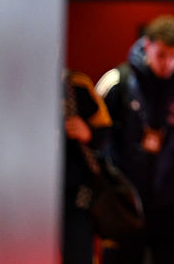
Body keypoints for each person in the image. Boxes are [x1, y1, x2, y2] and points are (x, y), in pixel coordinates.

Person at [96, 15, 174, 264]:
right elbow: (95, 144)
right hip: (123, 208)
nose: (168, 63)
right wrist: (106, 198)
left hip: (171, 208)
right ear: (147, 45)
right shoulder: (116, 83)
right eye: (161, 55)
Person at [62, 69, 113, 264]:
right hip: (27, 195)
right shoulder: (18, 82)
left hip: (76, 194)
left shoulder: (76, 85)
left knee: (79, 255)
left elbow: (107, 136)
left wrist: (88, 133)